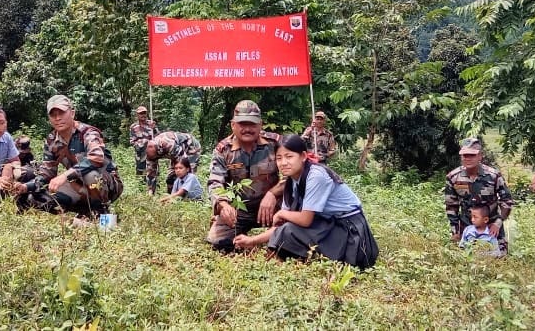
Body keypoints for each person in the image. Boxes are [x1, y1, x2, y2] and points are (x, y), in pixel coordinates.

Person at [232, 134, 378, 269]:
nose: (283, 163)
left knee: (289, 231)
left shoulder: (316, 176)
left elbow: (305, 220)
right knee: (287, 231)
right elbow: (282, 227)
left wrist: (282, 213)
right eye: (279, 158)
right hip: (328, 223)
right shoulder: (291, 181)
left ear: (303, 156)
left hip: (350, 231)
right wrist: (251, 241)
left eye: (289, 156)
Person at [12, 95, 123, 218]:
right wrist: (25, 186)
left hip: (108, 184)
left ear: (72, 113)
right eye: (53, 115)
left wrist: (64, 175)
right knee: (33, 198)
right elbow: (46, 173)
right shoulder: (51, 140)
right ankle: (85, 212)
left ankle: (102, 213)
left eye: (62, 113)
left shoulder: (88, 133)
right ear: (49, 118)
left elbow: (96, 158)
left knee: (91, 175)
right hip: (78, 185)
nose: (58, 118)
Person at [205, 100, 284, 253]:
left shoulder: (275, 144)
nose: (247, 129)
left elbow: (295, 174)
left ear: (260, 124)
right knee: (217, 241)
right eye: (242, 124)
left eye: (252, 124)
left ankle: (270, 236)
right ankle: (233, 229)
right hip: (239, 210)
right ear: (233, 125)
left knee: (290, 237)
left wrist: (273, 193)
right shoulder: (224, 150)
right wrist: (223, 205)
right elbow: (215, 182)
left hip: (273, 207)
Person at [445, 137, 514, 255]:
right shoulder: (453, 177)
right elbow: (451, 206)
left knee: (499, 262)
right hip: (467, 229)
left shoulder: (493, 176)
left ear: (480, 156)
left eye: (472, 155)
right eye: (464, 155)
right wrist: (455, 231)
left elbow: (506, 201)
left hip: (492, 227)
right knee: (465, 262)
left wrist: (498, 223)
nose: (467, 158)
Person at [145, 131, 201, 195]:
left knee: (186, 176)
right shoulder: (149, 153)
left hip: (191, 148)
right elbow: (151, 172)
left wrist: (179, 175)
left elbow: (183, 160)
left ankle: (191, 197)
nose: (154, 159)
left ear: (158, 150)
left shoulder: (168, 144)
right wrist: (150, 190)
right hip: (175, 153)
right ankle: (171, 198)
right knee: (170, 178)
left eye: (155, 156)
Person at [129, 105, 158, 181]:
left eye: (144, 113)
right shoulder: (134, 127)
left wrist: (154, 128)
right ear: (137, 115)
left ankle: (153, 185)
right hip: (140, 153)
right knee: (140, 171)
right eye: (141, 113)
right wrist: (141, 144)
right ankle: (140, 187)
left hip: (152, 152)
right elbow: (132, 141)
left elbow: (158, 137)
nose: (143, 115)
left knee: (153, 169)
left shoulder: (151, 124)